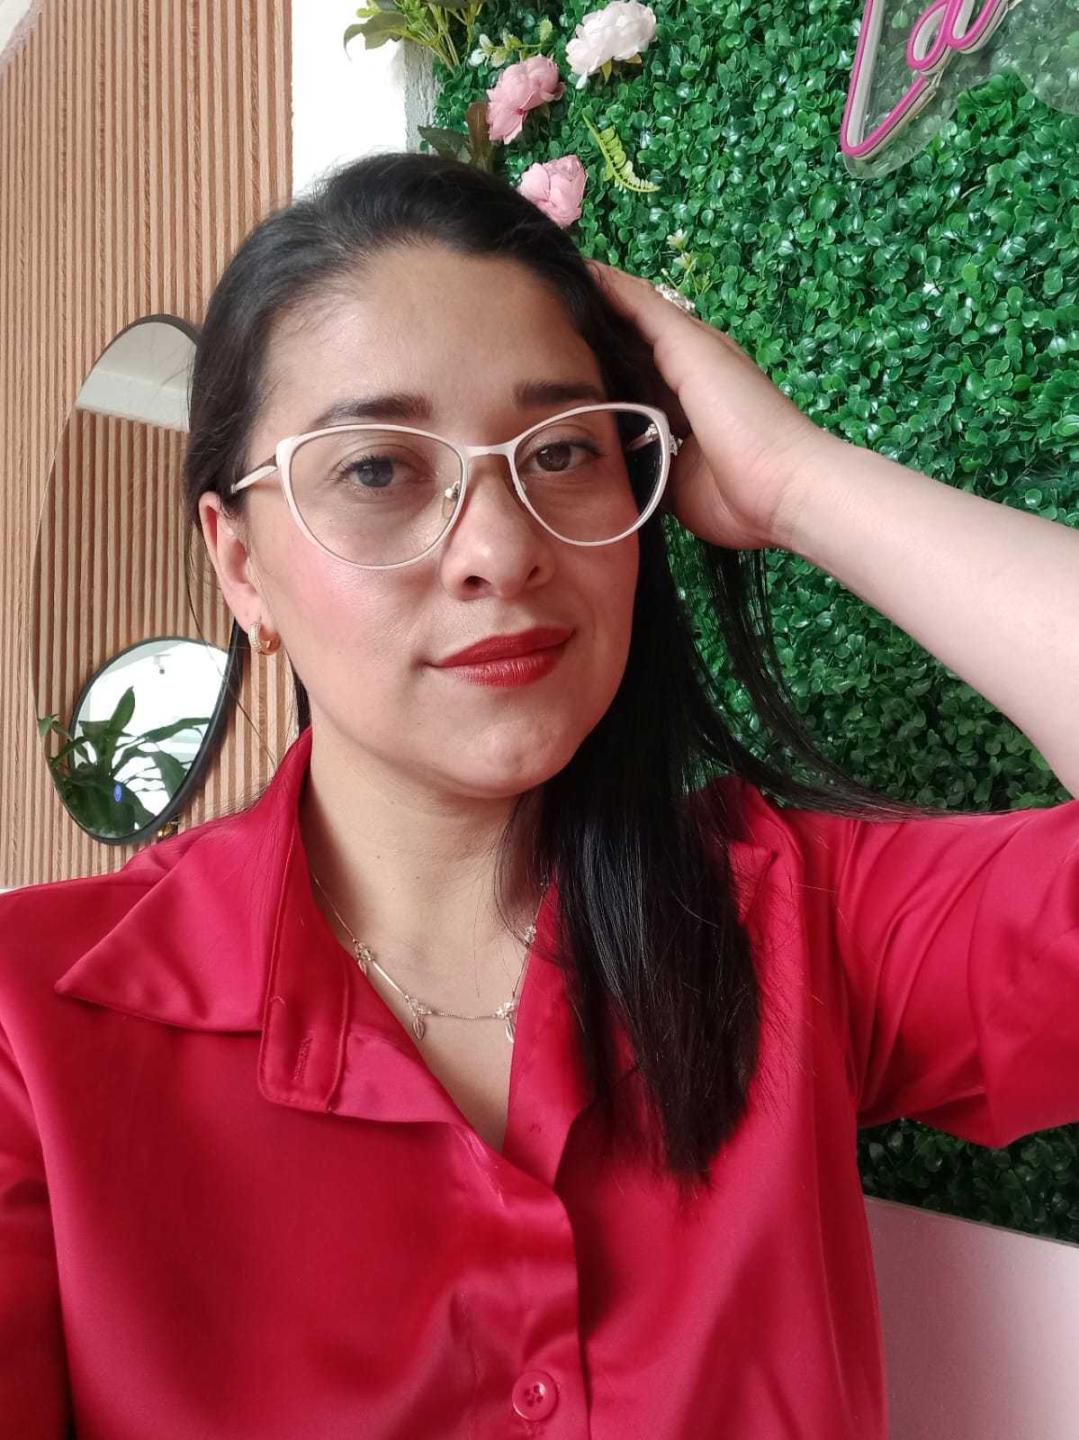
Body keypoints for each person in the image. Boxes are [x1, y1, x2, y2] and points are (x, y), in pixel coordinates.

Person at [2, 151, 1077, 1439]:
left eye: (562, 450)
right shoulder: (34, 1033)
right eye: (379, 470)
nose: (503, 550)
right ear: (240, 565)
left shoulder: (788, 915)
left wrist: (795, 481)